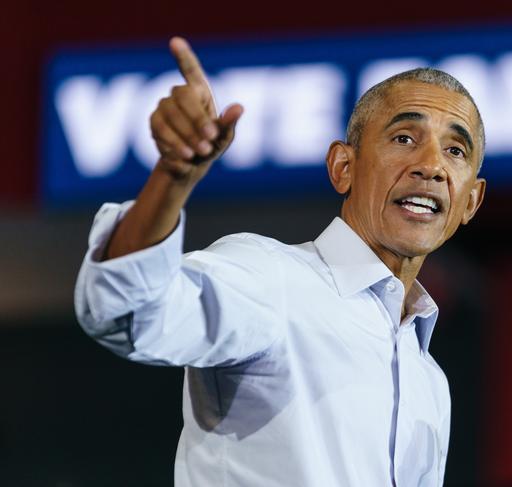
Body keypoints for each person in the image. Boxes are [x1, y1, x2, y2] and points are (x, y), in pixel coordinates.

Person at [74, 36, 486, 487]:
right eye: (405, 137)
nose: (431, 166)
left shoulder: (430, 381)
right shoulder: (270, 278)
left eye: (455, 150)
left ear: (471, 202)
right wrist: (172, 177)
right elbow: (128, 310)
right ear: (342, 168)